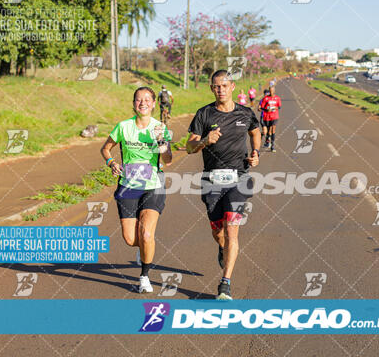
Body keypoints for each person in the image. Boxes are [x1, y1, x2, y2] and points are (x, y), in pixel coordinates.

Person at [186, 70, 261, 300]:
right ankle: (222, 248)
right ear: (212, 89)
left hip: (239, 179)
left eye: (225, 85)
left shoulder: (245, 113)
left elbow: (255, 132)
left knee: (231, 229)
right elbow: (189, 147)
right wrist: (205, 140)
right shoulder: (204, 114)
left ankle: (225, 283)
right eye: (217, 86)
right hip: (212, 180)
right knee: (218, 231)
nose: (221, 89)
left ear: (232, 87)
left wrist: (256, 152)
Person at [100, 87, 172, 293]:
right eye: (139, 100)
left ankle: (144, 276)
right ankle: (144, 249)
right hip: (128, 186)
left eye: (147, 99)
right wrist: (112, 162)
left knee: (147, 233)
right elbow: (105, 149)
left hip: (153, 185)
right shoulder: (123, 127)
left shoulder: (160, 127)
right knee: (131, 239)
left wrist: (162, 142)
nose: (143, 103)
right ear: (134, 104)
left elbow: (168, 160)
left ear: (154, 104)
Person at [259, 85, 281, 152]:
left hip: (274, 116)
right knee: (267, 132)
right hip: (266, 116)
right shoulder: (266, 98)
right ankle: (266, 139)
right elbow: (261, 107)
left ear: (274, 91)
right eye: (270, 91)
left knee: (272, 130)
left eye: (272, 91)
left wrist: (274, 108)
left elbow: (279, 107)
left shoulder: (277, 98)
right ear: (269, 91)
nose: (271, 92)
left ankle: (272, 146)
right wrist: (266, 110)